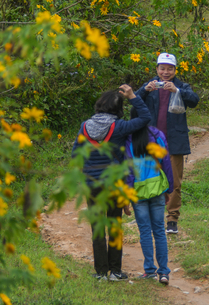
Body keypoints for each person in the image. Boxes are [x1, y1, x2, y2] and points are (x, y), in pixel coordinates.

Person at [71, 84, 151, 282]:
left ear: (99, 106)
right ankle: (115, 271)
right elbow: (145, 118)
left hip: (92, 184)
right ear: (118, 109)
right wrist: (133, 96)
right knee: (114, 224)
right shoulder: (120, 126)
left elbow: (76, 154)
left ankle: (100, 273)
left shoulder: (85, 126)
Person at [136, 53, 199, 235]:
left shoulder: (180, 86)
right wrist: (144, 91)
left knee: (175, 181)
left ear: (174, 70)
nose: (165, 72)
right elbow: (134, 104)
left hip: (174, 141)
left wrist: (177, 91)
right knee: (149, 178)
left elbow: (194, 101)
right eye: (162, 68)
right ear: (156, 69)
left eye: (169, 69)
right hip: (152, 141)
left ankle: (172, 219)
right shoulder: (151, 86)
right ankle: (149, 216)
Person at [125, 107, 174, 285]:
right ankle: (164, 273)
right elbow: (166, 161)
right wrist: (169, 188)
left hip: (138, 192)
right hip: (157, 189)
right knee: (160, 231)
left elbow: (129, 172)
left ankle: (149, 271)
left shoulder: (128, 140)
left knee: (145, 232)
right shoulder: (157, 135)